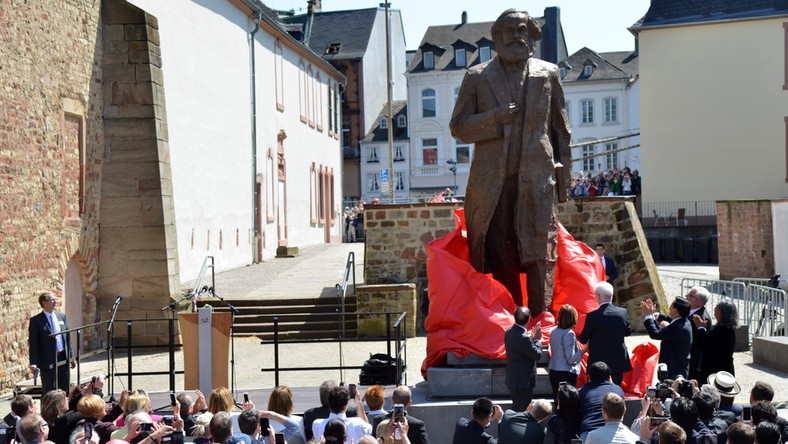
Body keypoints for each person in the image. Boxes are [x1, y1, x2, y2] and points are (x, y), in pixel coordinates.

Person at [449, 7, 572, 314]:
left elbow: (561, 130)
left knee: (540, 248)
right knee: (500, 249)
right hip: (494, 181)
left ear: (532, 36)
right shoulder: (477, 77)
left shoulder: (548, 73)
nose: (518, 36)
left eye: (523, 30)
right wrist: (494, 118)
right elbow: (459, 127)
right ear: (498, 37)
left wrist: (564, 184)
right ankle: (510, 319)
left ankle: (542, 319)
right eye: (511, 30)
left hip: (538, 177)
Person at [577, 282, 632, 386]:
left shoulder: (593, 316)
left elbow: (583, 339)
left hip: (598, 362)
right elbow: (628, 332)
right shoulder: (623, 312)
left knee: (597, 389)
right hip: (617, 359)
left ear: (597, 296)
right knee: (616, 388)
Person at [29, 292, 76, 394]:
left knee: (64, 388)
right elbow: (33, 343)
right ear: (44, 302)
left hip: (63, 357)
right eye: (52, 300)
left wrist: (71, 357)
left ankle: (64, 408)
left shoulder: (61, 316)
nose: (55, 302)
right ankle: (47, 409)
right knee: (49, 389)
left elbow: (67, 338)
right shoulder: (36, 320)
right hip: (47, 359)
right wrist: (33, 362)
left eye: (55, 299)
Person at [640, 297, 693, 379]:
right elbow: (672, 320)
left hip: (674, 369)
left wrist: (648, 316)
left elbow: (655, 334)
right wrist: (657, 316)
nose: (669, 308)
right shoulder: (685, 321)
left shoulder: (678, 327)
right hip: (677, 365)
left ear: (675, 310)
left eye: (671, 306)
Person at [504, 307, 542, 411]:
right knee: (521, 411)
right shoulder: (524, 338)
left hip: (513, 379)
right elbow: (537, 355)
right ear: (529, 318)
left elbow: (523, 348)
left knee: (517, 407)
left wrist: (532, 340)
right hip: (522, 383)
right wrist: (537, 340)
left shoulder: (509, 332)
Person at [692, 300, 737, 384]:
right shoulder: (725, 328)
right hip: (718, 369)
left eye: (717, 307)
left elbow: (705, 345)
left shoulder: (723, 330)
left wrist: (701, 328)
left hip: (716, 372)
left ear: (722, 312)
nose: (714, 308)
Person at [578, 362, 625, 440]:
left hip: (588, 432)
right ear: (609, 377)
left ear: (589, 377)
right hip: (614, 433)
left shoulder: (582, 391)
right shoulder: (618, 390)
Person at [548, 304, 587, 396]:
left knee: (557, 401)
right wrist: (585, 350)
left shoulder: (553, 331)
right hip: (566, 373)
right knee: (567, 403)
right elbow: (571, 358)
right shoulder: (569, 333)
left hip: (554, 371)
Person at [685, 287, 712, 381]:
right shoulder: (689, 310)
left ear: (695, 300)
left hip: (693, 361)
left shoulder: (702, 318)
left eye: (689, 295)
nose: (686, 296)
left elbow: (697, 340)